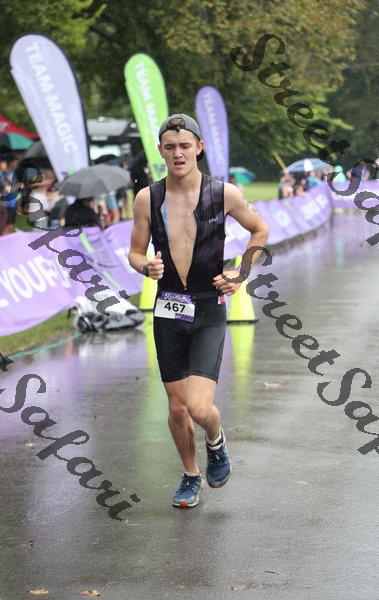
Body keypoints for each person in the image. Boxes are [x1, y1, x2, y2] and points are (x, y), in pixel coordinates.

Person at [128, 114, 270, 509]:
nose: (178, 153)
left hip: (209, 307)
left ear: (199, 148)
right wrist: (146, 268)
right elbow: (135, 251)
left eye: (185, 146)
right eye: (170, 147)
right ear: (161, 151)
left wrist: (241, 271)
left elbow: (260, 230)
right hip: (169, 309)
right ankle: (191, 475)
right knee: (177, 407)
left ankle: (216, 440)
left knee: (199, 407)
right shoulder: (147, 198)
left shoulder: (223, 193)